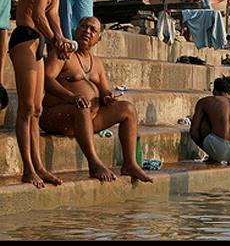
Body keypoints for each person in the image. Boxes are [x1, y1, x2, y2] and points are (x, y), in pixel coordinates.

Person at [10, 0, 89, 188]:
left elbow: (53, 17)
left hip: (39, 41)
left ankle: (39, 166)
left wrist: (62, 40)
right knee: (27, 108)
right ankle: (28, 168)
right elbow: (37, 14)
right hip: (25, 38)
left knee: (37, 109)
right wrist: (56, 40)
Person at [41, 16, 153, 183]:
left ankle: (130, 163)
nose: (87, 31)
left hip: (87, 119)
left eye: (93, 30)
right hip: (56, 115)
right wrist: (71, 97)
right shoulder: (63, 53)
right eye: (84, 26)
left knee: (127, 109)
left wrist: (108, 97)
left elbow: (104, 90)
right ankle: (94, 163)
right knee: (82, 105)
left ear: (99, 38)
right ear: (76, 30)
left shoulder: (97, 63)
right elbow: (46, 79)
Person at [190, 76, 230, 165]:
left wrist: (209, 151)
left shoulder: (205, 101)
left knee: (204, 119)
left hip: (217, 149)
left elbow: (193, 131)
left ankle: (213, 158)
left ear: (214, 91)